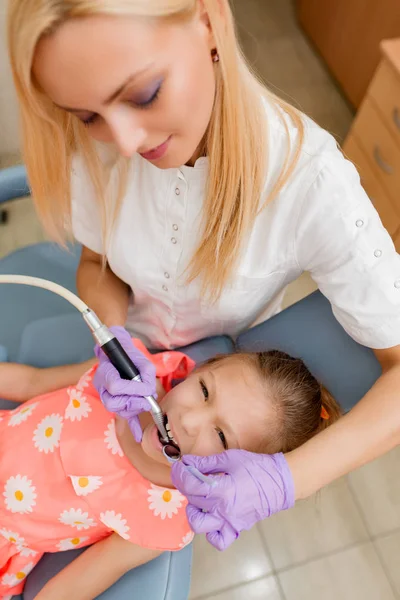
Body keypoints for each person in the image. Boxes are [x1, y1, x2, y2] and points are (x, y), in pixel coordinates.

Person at [6, 0, 400, 555]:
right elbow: (97, 265)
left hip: (230, 370)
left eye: (143, 94)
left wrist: (286, 480)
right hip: (125, 359)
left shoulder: (311, 184)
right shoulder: (104, 151)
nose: (124, 143)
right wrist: (115, 335)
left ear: (209, 21)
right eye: (88, 116)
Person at [0, 337, 340, 598]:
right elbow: (32, 382)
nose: (188, 420)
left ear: (236, 472)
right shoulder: (126, 375)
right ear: (199, 369)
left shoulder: (165, 519)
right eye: (204, 390)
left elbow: (74, 587)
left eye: (221, 436)